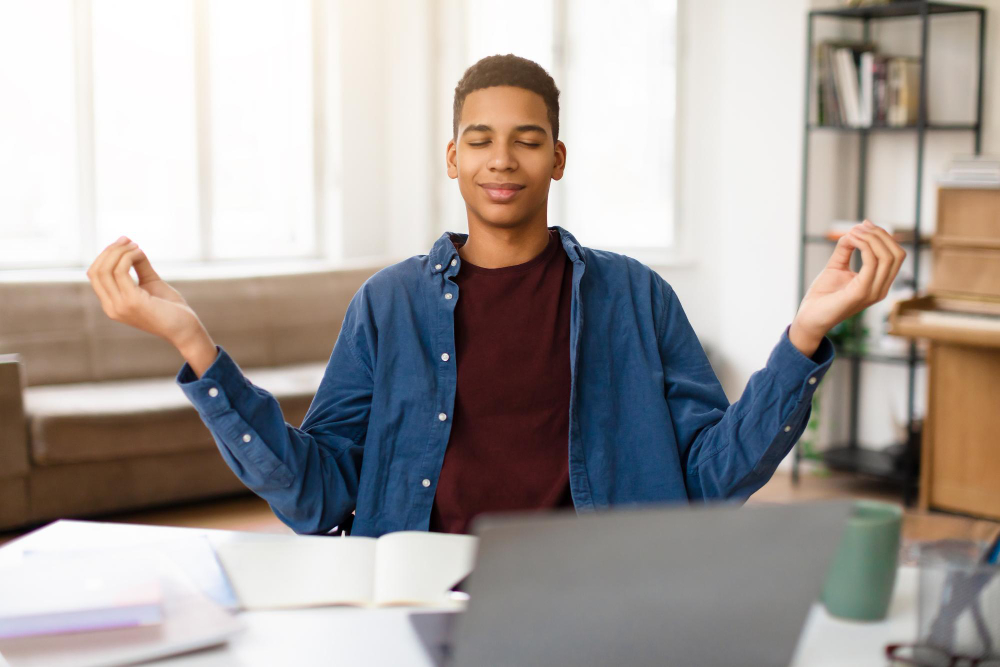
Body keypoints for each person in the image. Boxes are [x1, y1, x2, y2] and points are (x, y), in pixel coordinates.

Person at [85, 54, 906, 537]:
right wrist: (197, 348)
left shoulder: (637, 296)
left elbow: (711, 480)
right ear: (452, 157)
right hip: (428, 586)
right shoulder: (387, 304)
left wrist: (803, 335)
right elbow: (321, 492)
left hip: (597, 586)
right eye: (480, 139)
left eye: (527, 139)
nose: (501, 159)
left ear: (558, 157)